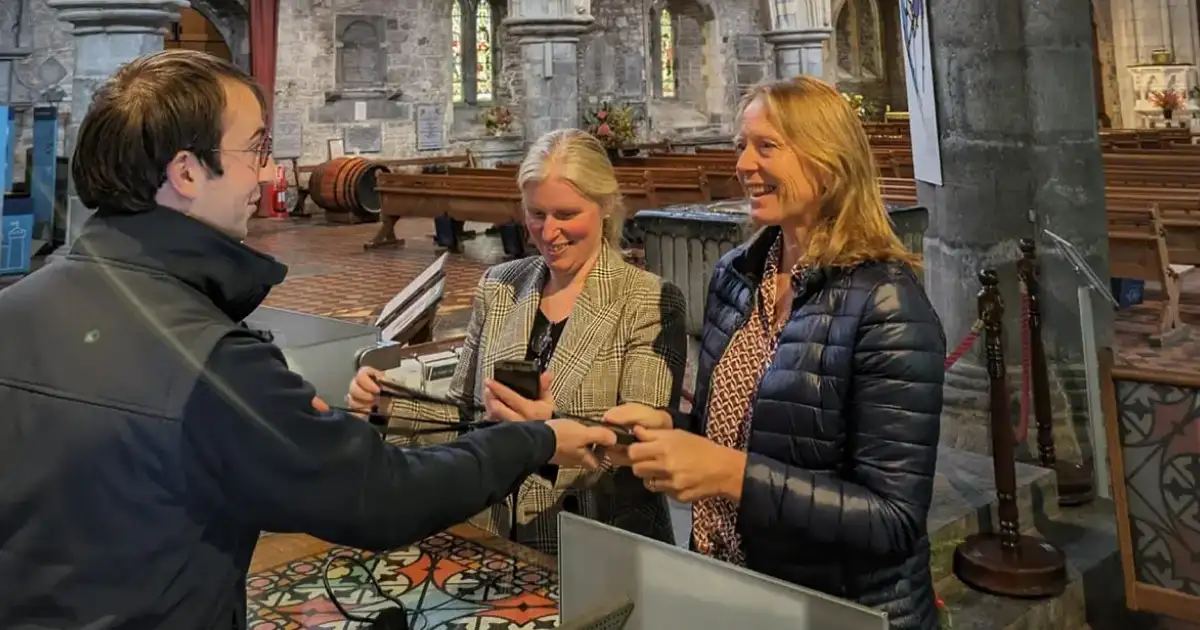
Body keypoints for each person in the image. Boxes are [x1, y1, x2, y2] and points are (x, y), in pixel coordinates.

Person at [0, 50, 617, 630]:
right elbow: (384, 497)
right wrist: (533, 440)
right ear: (187, 171)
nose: (267, 172)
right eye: (257, 148)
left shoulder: (15, 309)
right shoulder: (210, 364)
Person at [605, 76, 946, 630]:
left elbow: (893, 519)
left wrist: (731, 475)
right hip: (728, 585)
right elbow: (748, 429)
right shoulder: (737, 277)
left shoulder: (886, 304)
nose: (743, 163)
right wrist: (668, 430)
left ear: (828, 162)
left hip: (834, 608)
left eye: (766, 146)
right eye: (741, 144)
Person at [349, 128, 688, 555]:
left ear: (605, 206)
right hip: (493, 533)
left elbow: (641, 445)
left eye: (566, 214)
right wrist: (386, 406)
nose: (549, 232)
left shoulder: (647, 300)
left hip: (594, 540)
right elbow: (465, 418)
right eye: (536, 214)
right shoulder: (501, 285)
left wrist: (548, 432)